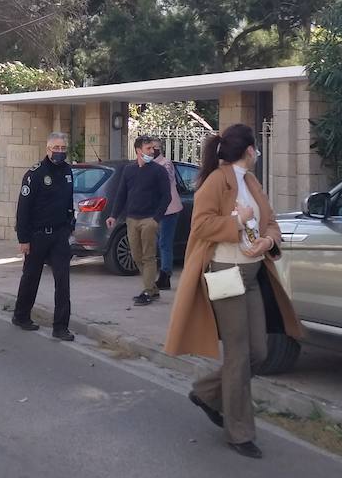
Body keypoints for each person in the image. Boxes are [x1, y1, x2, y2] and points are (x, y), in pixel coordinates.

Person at [164, 123, 303, 459]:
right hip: (225, 273)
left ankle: (206, 391)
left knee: (259, 351)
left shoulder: (251, 182)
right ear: (250, 150)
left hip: (253, 276)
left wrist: (268, 240)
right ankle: (239, 432)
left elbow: (271, 222)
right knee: (239, 355)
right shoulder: (216, 181)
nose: (257, 153)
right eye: (256, 148)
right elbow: (200, 225)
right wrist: (238, 222)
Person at [11, 132, 76, 341]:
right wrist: (23, 239)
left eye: (62, 148)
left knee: (63, 281)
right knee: (30, 277)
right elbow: (23, 209)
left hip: (59, 236)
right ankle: (21, 316)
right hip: (37, 236)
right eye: (55, 148)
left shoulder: (67, 171)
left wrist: (69, 227)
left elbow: (68, 202)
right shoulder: (35, 174)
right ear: (47, 149)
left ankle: (60, 327)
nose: (59, 152)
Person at [106, 135, 172, 306]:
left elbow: (167, 197)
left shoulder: (159, 171)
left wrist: (156, 219)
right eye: (148, 148)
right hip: (132, 219)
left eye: (153, 148)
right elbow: (121, 195)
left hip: (149, 219)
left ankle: (148, 291)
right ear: (138, 151)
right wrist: (113, 215)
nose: (153, 151)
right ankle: (152, 288)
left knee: (148, 256)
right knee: (136, 256)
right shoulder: (129, 170)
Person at [150, 137, 184, 291]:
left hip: (170, 209)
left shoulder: (166, 164)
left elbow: (168, 182)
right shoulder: (149, 165)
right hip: (156, 210)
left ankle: (165, 275)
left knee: (165, 243)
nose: (153, 150)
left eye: (156, 147)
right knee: (159, 242)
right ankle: (162, 272)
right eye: (151, 147)